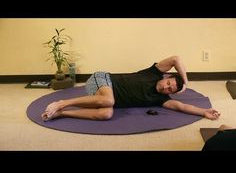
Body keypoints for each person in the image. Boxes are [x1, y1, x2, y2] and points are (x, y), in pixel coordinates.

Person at [41, 55, 220, 121]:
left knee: (106, 113)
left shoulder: (161, 99)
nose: (167, 88)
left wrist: (204, 112)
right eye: (169, 83)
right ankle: (62, 103)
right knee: (109, 100)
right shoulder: (153, 72)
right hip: (101, 79)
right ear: (166, 77)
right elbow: (176, 59)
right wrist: (185, 83)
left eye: (171, 90)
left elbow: (182, 107)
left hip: (99, 96)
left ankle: (62, 113)